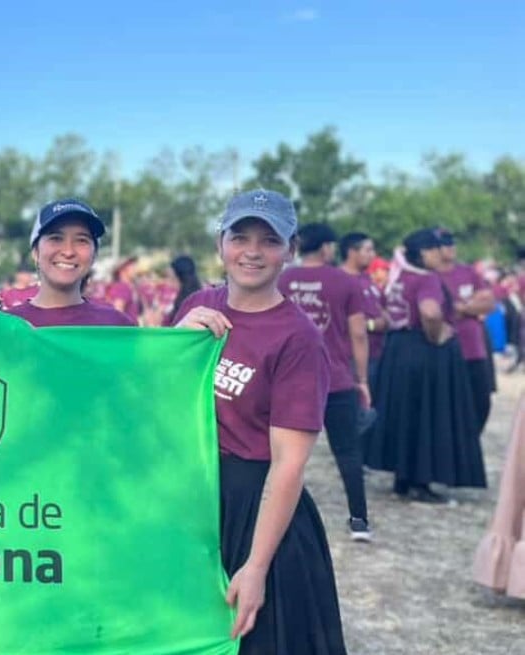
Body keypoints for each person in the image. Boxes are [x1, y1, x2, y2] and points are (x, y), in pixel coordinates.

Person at [173, 189, 346, 654]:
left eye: (269, 240)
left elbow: (288, 464)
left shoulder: (298, 339)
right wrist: (173, 342)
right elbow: (156, 400)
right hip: (194, 501)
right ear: (220, 243)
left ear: (289, 250)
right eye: (240, 236)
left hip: (255, 509)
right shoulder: (198, 305)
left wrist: (256, 566)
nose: (252, 251)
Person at [365, 229, 486, 503]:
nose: (440, 254)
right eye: (434, 249)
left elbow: (384, 308)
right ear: (422, 253)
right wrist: (437, 333)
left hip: (396, 351)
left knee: (403, 414)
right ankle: (420, 481)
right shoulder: (427, 279)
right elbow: (430, 311)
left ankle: (402, 479)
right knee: (425, 416)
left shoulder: (400, 277)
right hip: (422, 353)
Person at [277, 224, 373, 543]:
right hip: (336, 379)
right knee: (347, 452)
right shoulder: (345, 281)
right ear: (327, 248)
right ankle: (359, 519)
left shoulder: (282, 279)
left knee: (281, 456)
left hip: (290, 380)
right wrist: (362, 379)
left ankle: (276, 516)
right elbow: (358, 333)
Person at [4, 199, 133, 327]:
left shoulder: (115, 325)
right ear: (35, 252)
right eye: (56, 238)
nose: (68, 251)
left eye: (81, 240)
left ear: (94, 254)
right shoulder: (7, 326)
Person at [435, 228, 496, 438]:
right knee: (448, 404)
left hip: (474, 350)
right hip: (445, 351)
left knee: (482, 401)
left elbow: (488, 303)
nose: (451, 247)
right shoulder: (430, 276)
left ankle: (471, 439)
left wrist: (461, 308)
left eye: (452, 242)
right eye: (445, 243)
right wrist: (470, 306)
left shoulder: (468, 272)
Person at [337, 233, 387, 390]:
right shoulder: (339, 279)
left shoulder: (367, 278)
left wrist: (386, 319)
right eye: (368, 250)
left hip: (377, 353)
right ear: (352, 252)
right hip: (352, 357)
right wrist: (371, 325)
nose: (373, 255)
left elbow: (382, 307)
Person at [165, 255, 203, 326]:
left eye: (172, 279)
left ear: (182, 278)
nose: (169, 283)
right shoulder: (179, 299)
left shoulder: (190, 303)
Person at [105, 256, 141, 324]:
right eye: (132, 267)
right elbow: (118, 313)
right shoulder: (122, 287)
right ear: (122, 269)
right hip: (126, 332)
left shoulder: (126, 286)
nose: (135, 270)